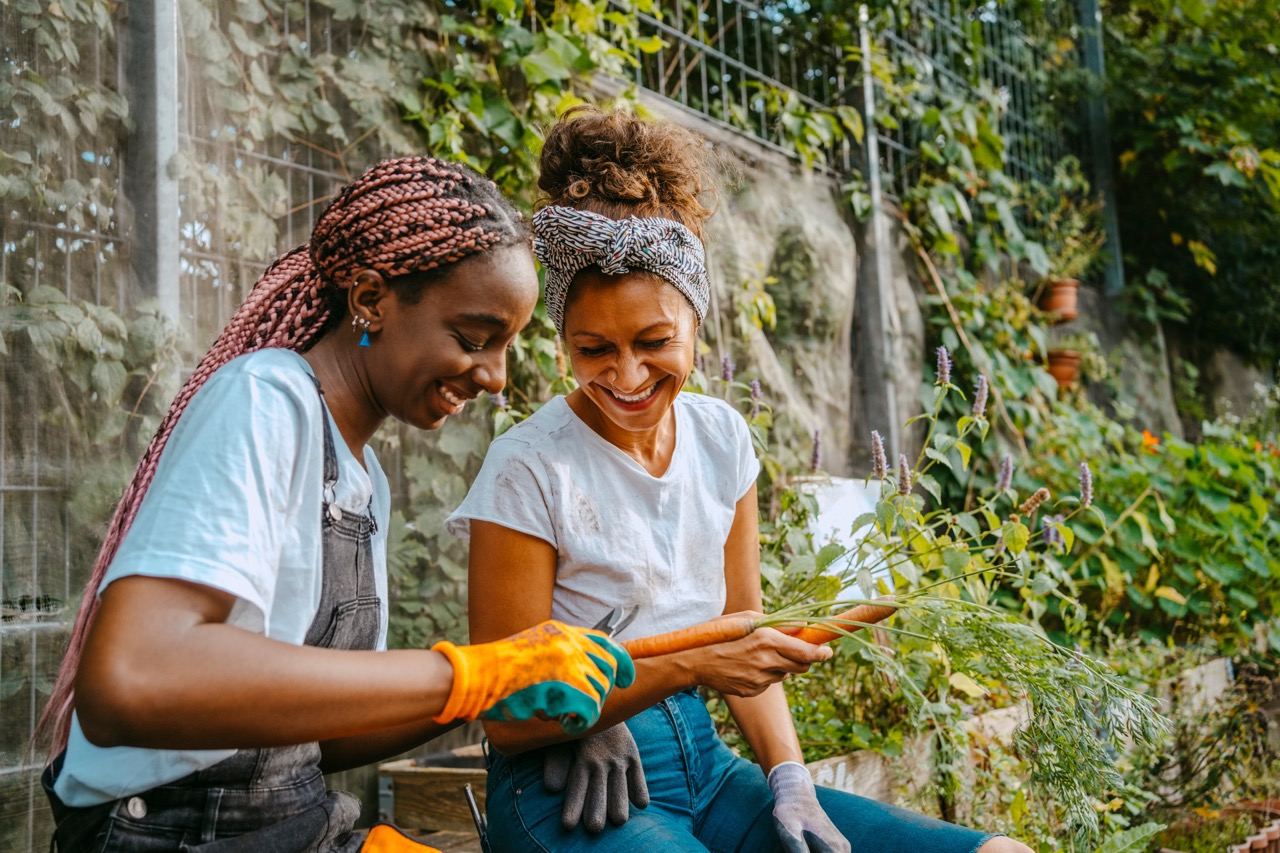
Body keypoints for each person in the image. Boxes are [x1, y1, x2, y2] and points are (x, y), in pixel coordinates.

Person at [447, 107, 1034, 852]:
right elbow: (506, 709)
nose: (626, 375)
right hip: (567, 785)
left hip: (710, 769)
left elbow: (742, 634)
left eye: (655, 341)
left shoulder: (722, 438)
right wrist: (614, 696)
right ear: (562, 337)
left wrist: (790, 776)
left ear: (698, 321)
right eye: (593, 347)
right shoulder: (529, 465)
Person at [36, 156, 634, 852]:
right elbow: (132, 680)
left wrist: (494, 680)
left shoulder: (360, 475)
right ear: (373, 299)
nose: (494, 376)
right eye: (474, 339)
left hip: (294, 826)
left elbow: (321, 734)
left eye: (504, 347)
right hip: (171, 831)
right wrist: (468, 673)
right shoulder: (265, 400)